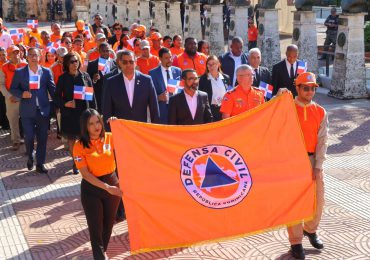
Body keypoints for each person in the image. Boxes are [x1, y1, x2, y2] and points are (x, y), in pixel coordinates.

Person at [288, 72, 328, 260]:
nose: (310, 91)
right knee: (294, 202)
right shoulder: (287, 108)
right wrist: (281, 93)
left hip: (313, 160)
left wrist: (318, 166)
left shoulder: (320, 111)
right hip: (292, 161)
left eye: (313, 88)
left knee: (318, 199)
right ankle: (296, 242)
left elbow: (323, 140)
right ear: (297, 88)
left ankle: (310, 230)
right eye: (306, 87)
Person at [73, 108, 122, 260]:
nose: (96, 127)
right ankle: (99, 256)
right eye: (91, 124)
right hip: (92, 189)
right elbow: (85, 174)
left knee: (108, 225)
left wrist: (117, 126)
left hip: (112, 182)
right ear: (85, 127)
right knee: (96, 229)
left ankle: (102, 253)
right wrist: (107, 188)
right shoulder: (79, 145)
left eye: (98, 122)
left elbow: (130, 141)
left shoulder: (110, 137)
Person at [9, 48, 56, 173]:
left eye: (35, 55)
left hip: (43, 111)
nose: (33, 57)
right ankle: (30, 155)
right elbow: (13, 88)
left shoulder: (46, 72)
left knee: (42, 138)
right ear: (27, 57)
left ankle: (40, 164)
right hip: (27, 111)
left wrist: (59, 104)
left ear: (40, 56)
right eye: (31, 55)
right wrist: (22, 93)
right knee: (29, 137)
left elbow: (53, 90)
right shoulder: (20, 72)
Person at [55, 52, 97, 175]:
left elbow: (92, 95)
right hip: (70, 114)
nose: (75, 64)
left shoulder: (85, 76)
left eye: (76, 61)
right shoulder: (63, 78)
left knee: (85, 140)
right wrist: (65, 103)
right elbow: (56, 97)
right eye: (72, 62)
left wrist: (95, 112)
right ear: (67, 64)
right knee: (72, 140)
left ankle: (86, 161)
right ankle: (76, 162)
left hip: (85, 113)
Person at [102, 50, 160, 131]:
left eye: (131, 62)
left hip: (141, 130)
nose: (128, 65)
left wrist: (155, 130)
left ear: (135, 62)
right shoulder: (111, 82)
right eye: (125, 62)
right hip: (120, 131)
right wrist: (109, 132)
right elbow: (107, 110)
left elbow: (154, 108)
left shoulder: (146, 80)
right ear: (120, 63)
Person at [0, 46, 27, 150]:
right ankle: (16, 140)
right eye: (13, 53)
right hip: (11, 98)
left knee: (26, 119)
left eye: (17, 52)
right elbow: (1, 84)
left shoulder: (25, 65)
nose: (16, 55)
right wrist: (9, 96)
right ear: (9, 55)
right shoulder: (4, 67)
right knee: (13, 120)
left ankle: (27, 140)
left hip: (24, 97)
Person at [149, 48, 182, 124]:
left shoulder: (178, 71)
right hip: (162, 111)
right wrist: (159, 97)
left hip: (177, 110)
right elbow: (149, 96)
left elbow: (181, 90)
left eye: (170, 57)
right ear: (160, 58)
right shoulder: (152, 73)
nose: (170, 60)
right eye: (166, 58)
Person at [199, 55, 231, 121]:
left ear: (218, 64)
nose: (211, 66)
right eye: (209, 64)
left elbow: (229, 92)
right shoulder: (203, 79)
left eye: (213, 64)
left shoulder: (226, 78)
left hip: (225, 109)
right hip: (211, 110)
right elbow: (201, 97)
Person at [87, 42, 117, 112]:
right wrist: (93, 80)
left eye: (107, 51)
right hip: (98, 100)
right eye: (103, 51)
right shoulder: (92, 64)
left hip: (113, 99)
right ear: (99, 51)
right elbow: (87, 83)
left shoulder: (115, 64)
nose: (106, 53)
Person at [0, 46, 9, 131]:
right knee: (2, 107)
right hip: (1, 89)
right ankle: (4, 124)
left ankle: (7, 124)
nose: (2, 56)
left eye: (4, 54)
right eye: (0, 55)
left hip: (8, 89)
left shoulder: (10, 64)